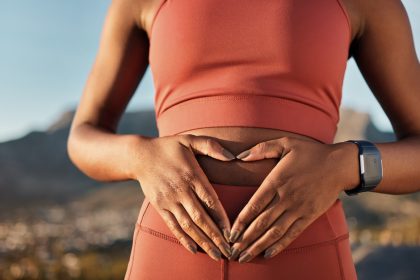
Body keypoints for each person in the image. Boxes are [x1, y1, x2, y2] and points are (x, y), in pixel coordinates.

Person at [67, 0, 420, 279]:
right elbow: (83, 135)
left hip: (307, 256)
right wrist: (140, 157)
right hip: (168, 255)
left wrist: (345, 165)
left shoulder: (373, 4)